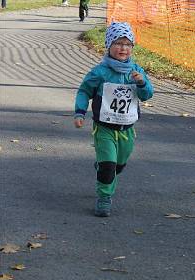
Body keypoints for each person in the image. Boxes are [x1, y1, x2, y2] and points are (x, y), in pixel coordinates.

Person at [74, 22, 154, 217]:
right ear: (109, 45)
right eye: (118, 43)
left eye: (128, 44)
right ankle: (104, 197)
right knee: (109, 167)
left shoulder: (136, 71)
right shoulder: (100, 72)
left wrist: (142, 83)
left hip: (127, 129)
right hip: (104, 128)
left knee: (119, 165)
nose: (123, 48)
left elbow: (147, 95)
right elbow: (84, 91)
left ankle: (104, 167)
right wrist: (80, 112)